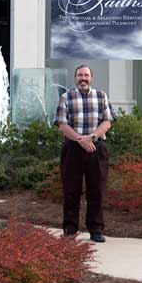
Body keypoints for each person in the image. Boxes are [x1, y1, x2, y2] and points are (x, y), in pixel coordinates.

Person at [54, 65, 115, 243]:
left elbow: (108, 121)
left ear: (91, 78)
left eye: (86, 75)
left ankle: (96, 229)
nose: (83, 78)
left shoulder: (101, 96)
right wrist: (81, 140)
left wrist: (92, 137)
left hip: (96, 148)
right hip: (73, 149)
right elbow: (62, 125)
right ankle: (70, 230)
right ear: (75, 78)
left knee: (97, 190)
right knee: (71, 191)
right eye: (80, 75)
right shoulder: (66, 97)